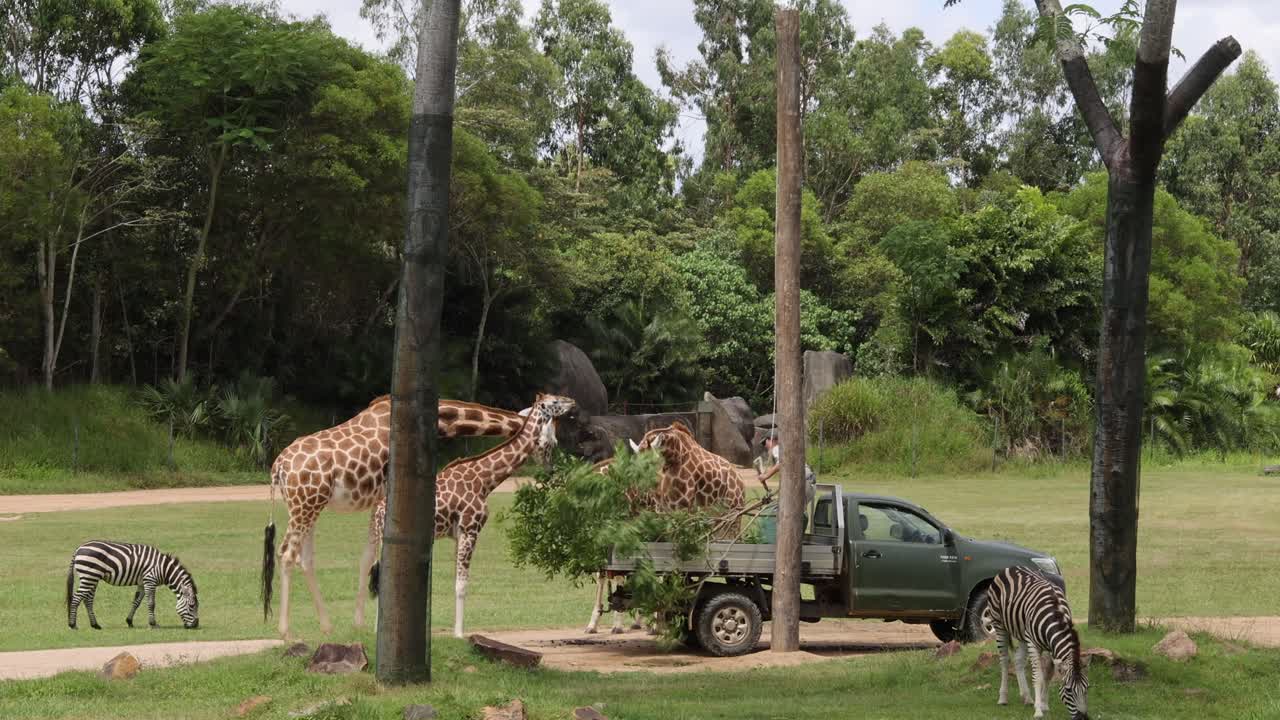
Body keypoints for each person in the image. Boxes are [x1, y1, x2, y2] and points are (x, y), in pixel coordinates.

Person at [757, 430, 816, 507]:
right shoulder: (787, 449)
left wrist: (765, 476)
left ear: (771, 440)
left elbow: (781, 463)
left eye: (765, 443)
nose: (765, 446)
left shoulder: (777, 448)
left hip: (803, 484)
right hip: (810, 484)